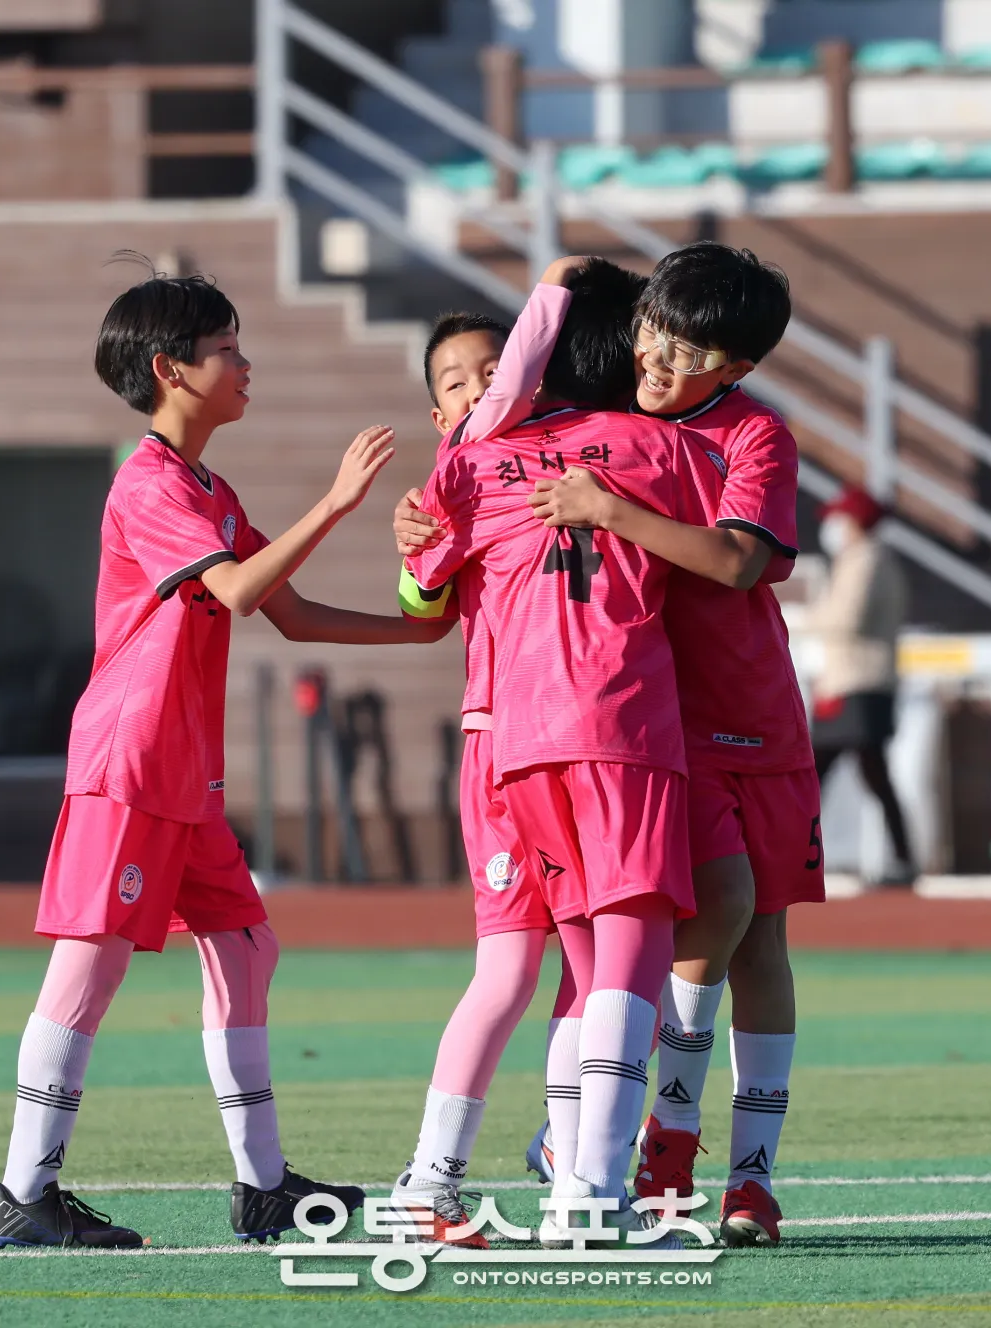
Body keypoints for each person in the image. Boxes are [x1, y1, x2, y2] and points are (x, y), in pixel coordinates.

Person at [0, 270, 453, 1250]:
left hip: (182, 773)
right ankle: (25, 1190)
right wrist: (336, 503)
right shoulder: (149, 482)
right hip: (130, 760)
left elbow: (290, 611)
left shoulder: (207, 488)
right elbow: (239, 589)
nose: (245, 365)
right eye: (226, 349)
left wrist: (419, 633)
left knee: (245, 947)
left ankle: (264, 1185)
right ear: (170, 370)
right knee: (90, 964)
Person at [405, 257, 725, 1247]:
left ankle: (548, 1177)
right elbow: (741, 557)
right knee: (629, 953)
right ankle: (589, 1190)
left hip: (515, 743)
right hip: (619, 725)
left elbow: (420, 581)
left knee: (580, 964)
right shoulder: (661, 447)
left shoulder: (470, 460)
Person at [518, 241, 819, 1247]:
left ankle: (752, 1178)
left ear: (738, 367)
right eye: (654, 329)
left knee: (762, 937)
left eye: (690, 352)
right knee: (708, 911)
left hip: (759, 715)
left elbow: (738, 562)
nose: (657, 356)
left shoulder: (755, 434)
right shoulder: (602, 415)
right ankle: (668, 1142)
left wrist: (612, 510)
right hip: (654, 725)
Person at [381, 286, 573, 1246]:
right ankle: (431, 1179)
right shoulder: (459, 475)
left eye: (495, 371)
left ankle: (573, 1146)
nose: (477, 389)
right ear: (437, 413)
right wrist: (414, 540)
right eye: (456, 382)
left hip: (587, 743)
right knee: (508, 972)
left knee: (604, 960)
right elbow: (421, 604)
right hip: (501, 744)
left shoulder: (576, 454)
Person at [809, 484, 915, 884]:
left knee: (820, 775)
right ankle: (903, 857)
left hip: (855, 682)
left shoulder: (865, 560)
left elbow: (845, 619)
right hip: (855, 681)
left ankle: (792, 855)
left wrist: (802, 615)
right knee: (868, 775)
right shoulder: (871, 559)